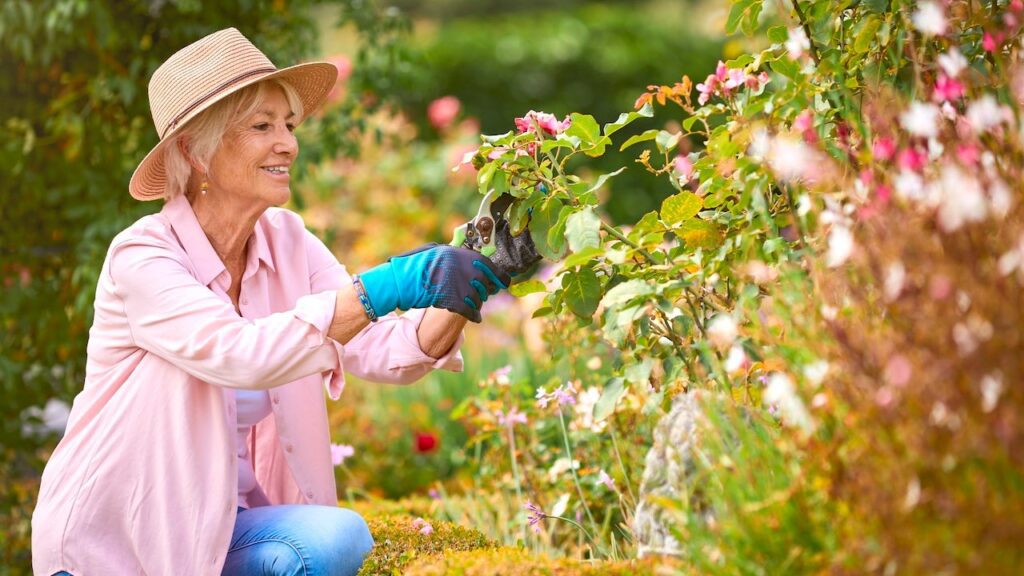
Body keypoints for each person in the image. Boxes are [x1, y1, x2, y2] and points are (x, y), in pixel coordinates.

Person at [31, 28, 510, 576]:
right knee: (328, 540)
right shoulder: (142, 256)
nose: (287, 143)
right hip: (114, 543)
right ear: (195, 150)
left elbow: (385, 351)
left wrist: (473, 273)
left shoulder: (289, 241)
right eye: (261, 126)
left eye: (288, 125)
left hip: (214, 528)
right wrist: (387, 285)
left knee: (333, 537)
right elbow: (240, 354)